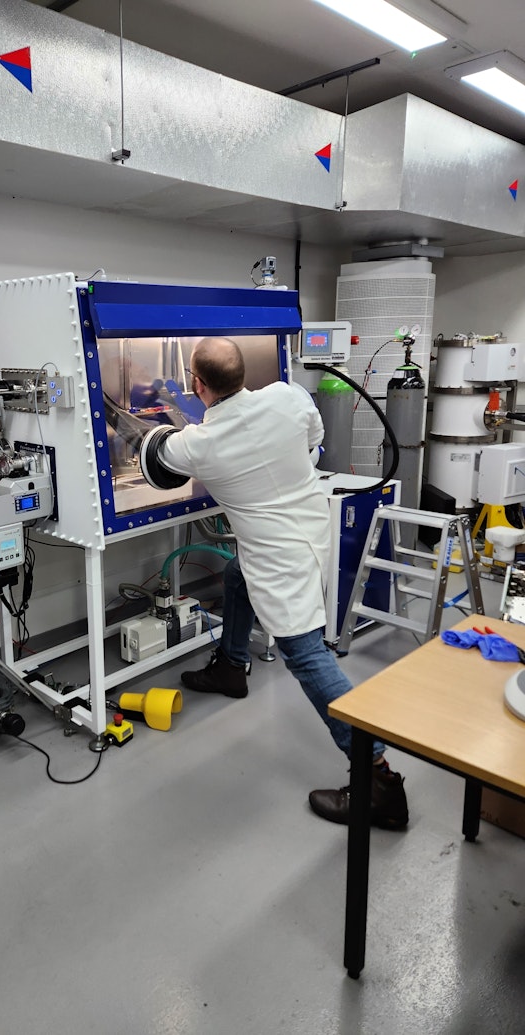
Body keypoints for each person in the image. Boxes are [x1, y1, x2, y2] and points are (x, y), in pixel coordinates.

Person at [140, 336, 408, 830]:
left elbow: (154, 458)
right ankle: (231, 666)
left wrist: (157, 425)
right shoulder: (287, 397)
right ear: (243, 374)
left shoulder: (199, 442)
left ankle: (379, 781)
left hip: (278, 558)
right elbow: (314, 433)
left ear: (197, 383)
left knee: (306, 655)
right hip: (310, 532)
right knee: (236, 573)